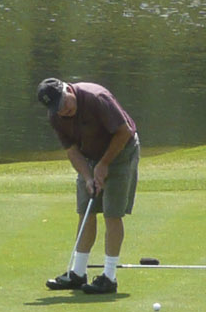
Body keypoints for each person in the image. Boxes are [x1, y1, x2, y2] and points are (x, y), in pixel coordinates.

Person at [38, 76, 140, 295]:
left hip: (122, 152)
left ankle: (109, 278)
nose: (64, 110)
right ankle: (77, 273)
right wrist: (87, 177)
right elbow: (72, 150)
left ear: (68, 89)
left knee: (112, 214)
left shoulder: (96, 98)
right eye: (58, 109)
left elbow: (124, 132)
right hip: (89, 157)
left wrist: (104, 164)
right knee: (86, 210)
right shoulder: (56, 116)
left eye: (64, 103)